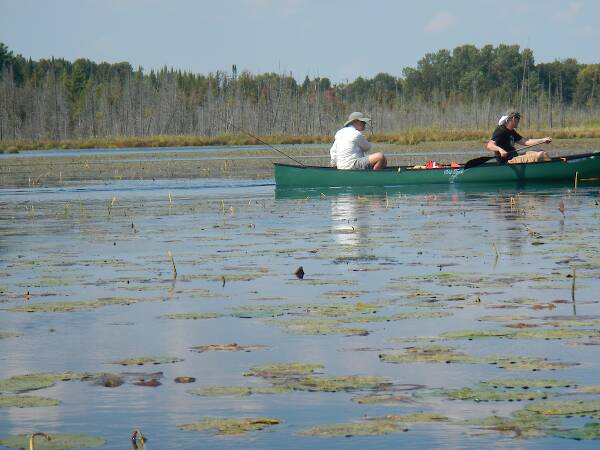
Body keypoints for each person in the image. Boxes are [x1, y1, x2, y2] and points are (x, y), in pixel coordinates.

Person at [486, 111, 552, 164]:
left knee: (541, 151)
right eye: (518, 119)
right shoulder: (501, 130)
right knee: (542, 155)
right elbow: (489, 145)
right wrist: (500, 150)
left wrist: (543, 140)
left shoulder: (511, 131)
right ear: (513, 118)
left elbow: (526, 141)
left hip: (514, 156)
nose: (519, 121)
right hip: (508, 161)